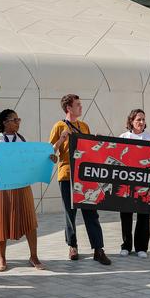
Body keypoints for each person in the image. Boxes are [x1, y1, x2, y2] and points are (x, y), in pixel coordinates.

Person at [0, 109, 55, 271]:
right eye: (15, 119)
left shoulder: (23, 140)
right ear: (5, 122)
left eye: (19, 119)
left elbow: (34, 160)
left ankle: (33, 256)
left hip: (22, 184)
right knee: (0, 220)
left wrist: (49, 158)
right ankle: (2, 258)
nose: (18, 122)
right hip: (1, 185)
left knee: (29, 220)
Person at [49, 94, 111, 265]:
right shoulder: (59, 126)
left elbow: (89, 150)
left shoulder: (83, 126)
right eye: (77, 105)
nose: (80, 107)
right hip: (67, 174)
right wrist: (62, 138)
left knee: (91, 212)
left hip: (84, 175)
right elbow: (49, 153)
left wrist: (96, 141)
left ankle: (98, 249)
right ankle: (73, 245)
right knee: (70, 212)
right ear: (68, 108)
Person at [118, 109, 150, 258]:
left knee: (143, 215)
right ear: (131, 121)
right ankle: (126, 245)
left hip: (144, 184)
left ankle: (141, 247)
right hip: (127, 183)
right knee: (126, 215)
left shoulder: (149, 137)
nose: (141, 122)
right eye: (138, 119)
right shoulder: (123, 137)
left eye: (143, 119)